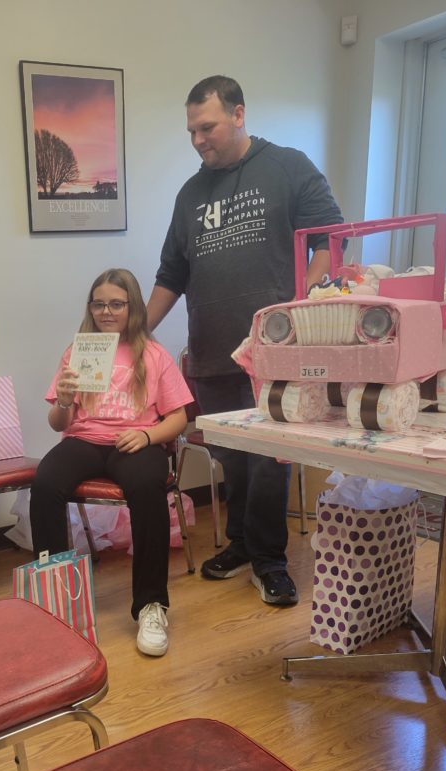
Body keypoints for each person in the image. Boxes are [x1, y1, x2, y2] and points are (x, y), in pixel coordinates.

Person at [146, 74, 343, 607]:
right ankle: (241, 544)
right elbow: (171, 274)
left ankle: (270, 561)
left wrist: (303, 306)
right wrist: (138, 332)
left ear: (238, 114)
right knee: (231, 457)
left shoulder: (288, 167)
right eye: (191, 131)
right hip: (211, 352)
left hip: (274, 354)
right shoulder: (191, 194)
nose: (197, 140)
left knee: (269, 461)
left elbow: (329, 240)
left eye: (206, 127)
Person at [30, 268, 192, 657]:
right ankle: (55, 599)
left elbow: (179, 417)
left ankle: (151, 605)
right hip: (85, 439)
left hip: (135, 441)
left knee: (147, 487)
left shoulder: (154, 354)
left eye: (116, 304)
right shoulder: (78, 351)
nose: (106, 311)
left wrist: (148, 436)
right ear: (90, 308)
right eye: (99, 304)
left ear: (132, 307)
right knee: (45, 482)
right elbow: (58, 424)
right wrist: (64, 400)